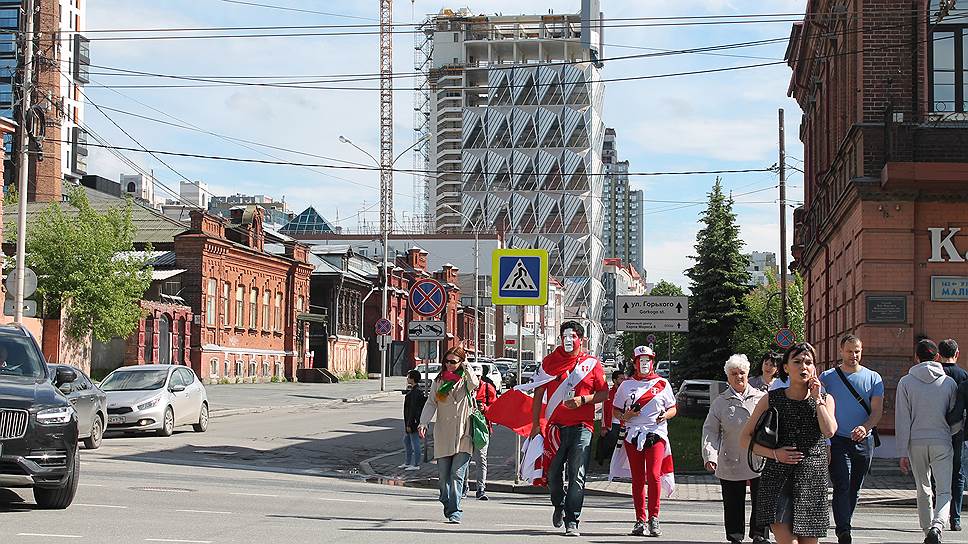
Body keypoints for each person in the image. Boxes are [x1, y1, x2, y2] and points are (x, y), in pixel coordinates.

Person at [743, 342, 838, 544]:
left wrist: (817, 399)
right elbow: (745, 438)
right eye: (797, 362)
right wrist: (776, 454)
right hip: (777, 478)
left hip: (812, 479)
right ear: (785, 367)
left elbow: (829, 430)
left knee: (809, 542)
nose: (803, 367)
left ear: (814, 368)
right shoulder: (772, 398)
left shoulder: (825, 399)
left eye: (808, 362)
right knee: (787, 541)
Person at [524, 321, 608, 537]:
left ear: (581, 339)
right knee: (552, 474)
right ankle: (559, 504)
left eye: (572, 337)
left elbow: (603, 393)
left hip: (582, 428)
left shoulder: (592, 364)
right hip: (555, 428)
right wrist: (535, 424)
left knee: (577, 475)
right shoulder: (550, 362)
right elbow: (538, 394)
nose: (568, 341)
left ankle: (573, 520)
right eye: (564, 337)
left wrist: (583, 400)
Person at [819, 334, 884, 544]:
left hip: (864, 440)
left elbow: (876, 412)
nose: (853, 355)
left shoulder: (874, 378)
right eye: (849, 351)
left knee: (855, 487)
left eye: (857, 351)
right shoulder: (827, 377)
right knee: (842, 484)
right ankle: (843, 530)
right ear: (841, 351)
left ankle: (845, 520)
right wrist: (826, 441)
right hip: (837, 440)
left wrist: (865, 428)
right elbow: (819, 409)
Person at [610, 345, 678, 537]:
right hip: (633, 434)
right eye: (640, 360)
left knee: (654, 475)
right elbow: (615, 410)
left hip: (656, 433)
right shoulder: (626, 385)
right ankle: (640, 520)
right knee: (638, 478)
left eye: (647, 360)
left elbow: (673, 408)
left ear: (652, 362)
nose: (644, 364)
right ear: (635, 363)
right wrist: (626, 415)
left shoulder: (663, 384)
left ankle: (654, 518)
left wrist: (666, 415)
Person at [896, 339, 959, 544]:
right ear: (937, 357)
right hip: (941, 439)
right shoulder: (948, 383)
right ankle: (938, 525)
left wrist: (902, 451)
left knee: (923, 487)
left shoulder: (906, 382)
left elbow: (903, 418)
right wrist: (951, 433)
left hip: (916, 441)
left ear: (916, 357)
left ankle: (926, 528)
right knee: (944, 489)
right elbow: (955, 415)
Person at [702, 354, 769, 544]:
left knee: (761, 498)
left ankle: (759, 534)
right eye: (734, 374)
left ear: (748, 374)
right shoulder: (721, 402)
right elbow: (710, 431)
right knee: (733, 500)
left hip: (758, 455)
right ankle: (735, 536)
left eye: (742, 373)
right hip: (730, 456)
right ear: (727, 377)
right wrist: (710, 455)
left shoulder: (761, 398)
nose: (738, 377)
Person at [418, 346, 480, 524]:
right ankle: (446, 500)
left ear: (461, 362)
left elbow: (475, 383)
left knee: (456, 474)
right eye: (446, 361)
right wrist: (424, 422)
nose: (448, 365)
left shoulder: (465, 380)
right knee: (444, 477)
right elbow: (431, 403)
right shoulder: (439, 381)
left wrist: (467, 365)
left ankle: (455, 511)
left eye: (453, 362)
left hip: (463, 434)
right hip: (443, 433)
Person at [938, 339, 967, 531]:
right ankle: (955, 518)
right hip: (959, 432)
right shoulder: (963, 375)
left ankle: (937, 515)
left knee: (936, 475)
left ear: (938, 355)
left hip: (936, 430)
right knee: (958, 474)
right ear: (956, 354)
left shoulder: (935, 374)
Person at [466, 364, 498, 501]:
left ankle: (481, 488)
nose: (476, 380)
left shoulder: (487, 388)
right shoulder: (464, 387)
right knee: (463, 459)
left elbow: (496, 409)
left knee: (481, 459)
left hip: (482, 429)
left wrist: (485, 408)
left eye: (478, 377)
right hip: (465, 428)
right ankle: (463, 487)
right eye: (474, 376)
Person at [596, 369, 627, 466]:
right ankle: (613, 464)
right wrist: (604, 427)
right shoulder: (609, 394)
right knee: (614, 446)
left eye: (624, 378)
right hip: (613, 425)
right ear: (614, 380)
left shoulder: (627, 392)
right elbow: (605, 411)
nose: (623, 380)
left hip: (625, 424)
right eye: (621, 378)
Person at [401, 369, 427, 471]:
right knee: (406, 441)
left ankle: (416, 464)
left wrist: (410, 423)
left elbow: (413, 409)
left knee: (414, 442)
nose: (407, 379)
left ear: (412, 379)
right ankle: (408, 462)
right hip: (412, 421)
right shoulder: (414, 391)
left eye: (408, 377)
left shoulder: (416, 392)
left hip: (413, 421)